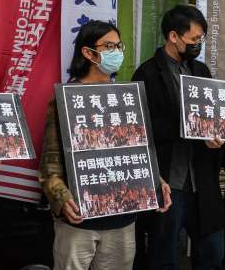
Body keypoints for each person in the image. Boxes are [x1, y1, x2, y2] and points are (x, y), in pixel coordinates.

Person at [39, 20, 172, 270]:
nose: (117, 52)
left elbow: (138, 152)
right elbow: (50, 165)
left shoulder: (126, 97)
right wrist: (61, 198)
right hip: (79, 222)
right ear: (88, 53)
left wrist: (157, 182)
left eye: (119, 46)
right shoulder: (67, 98)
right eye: (109, 46)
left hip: (122, 222)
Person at [132, 5, 225, 270]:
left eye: (201, 39)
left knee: (212, 253)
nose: (198, 44)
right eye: (194, 39)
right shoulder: (147, 73)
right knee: (164, 255)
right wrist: (187, 126)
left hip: (202, 179)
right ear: (173, 36)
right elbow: (140, 128)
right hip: (168, 180)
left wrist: (216, 133)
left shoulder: (201, 71)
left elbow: (213, 116)